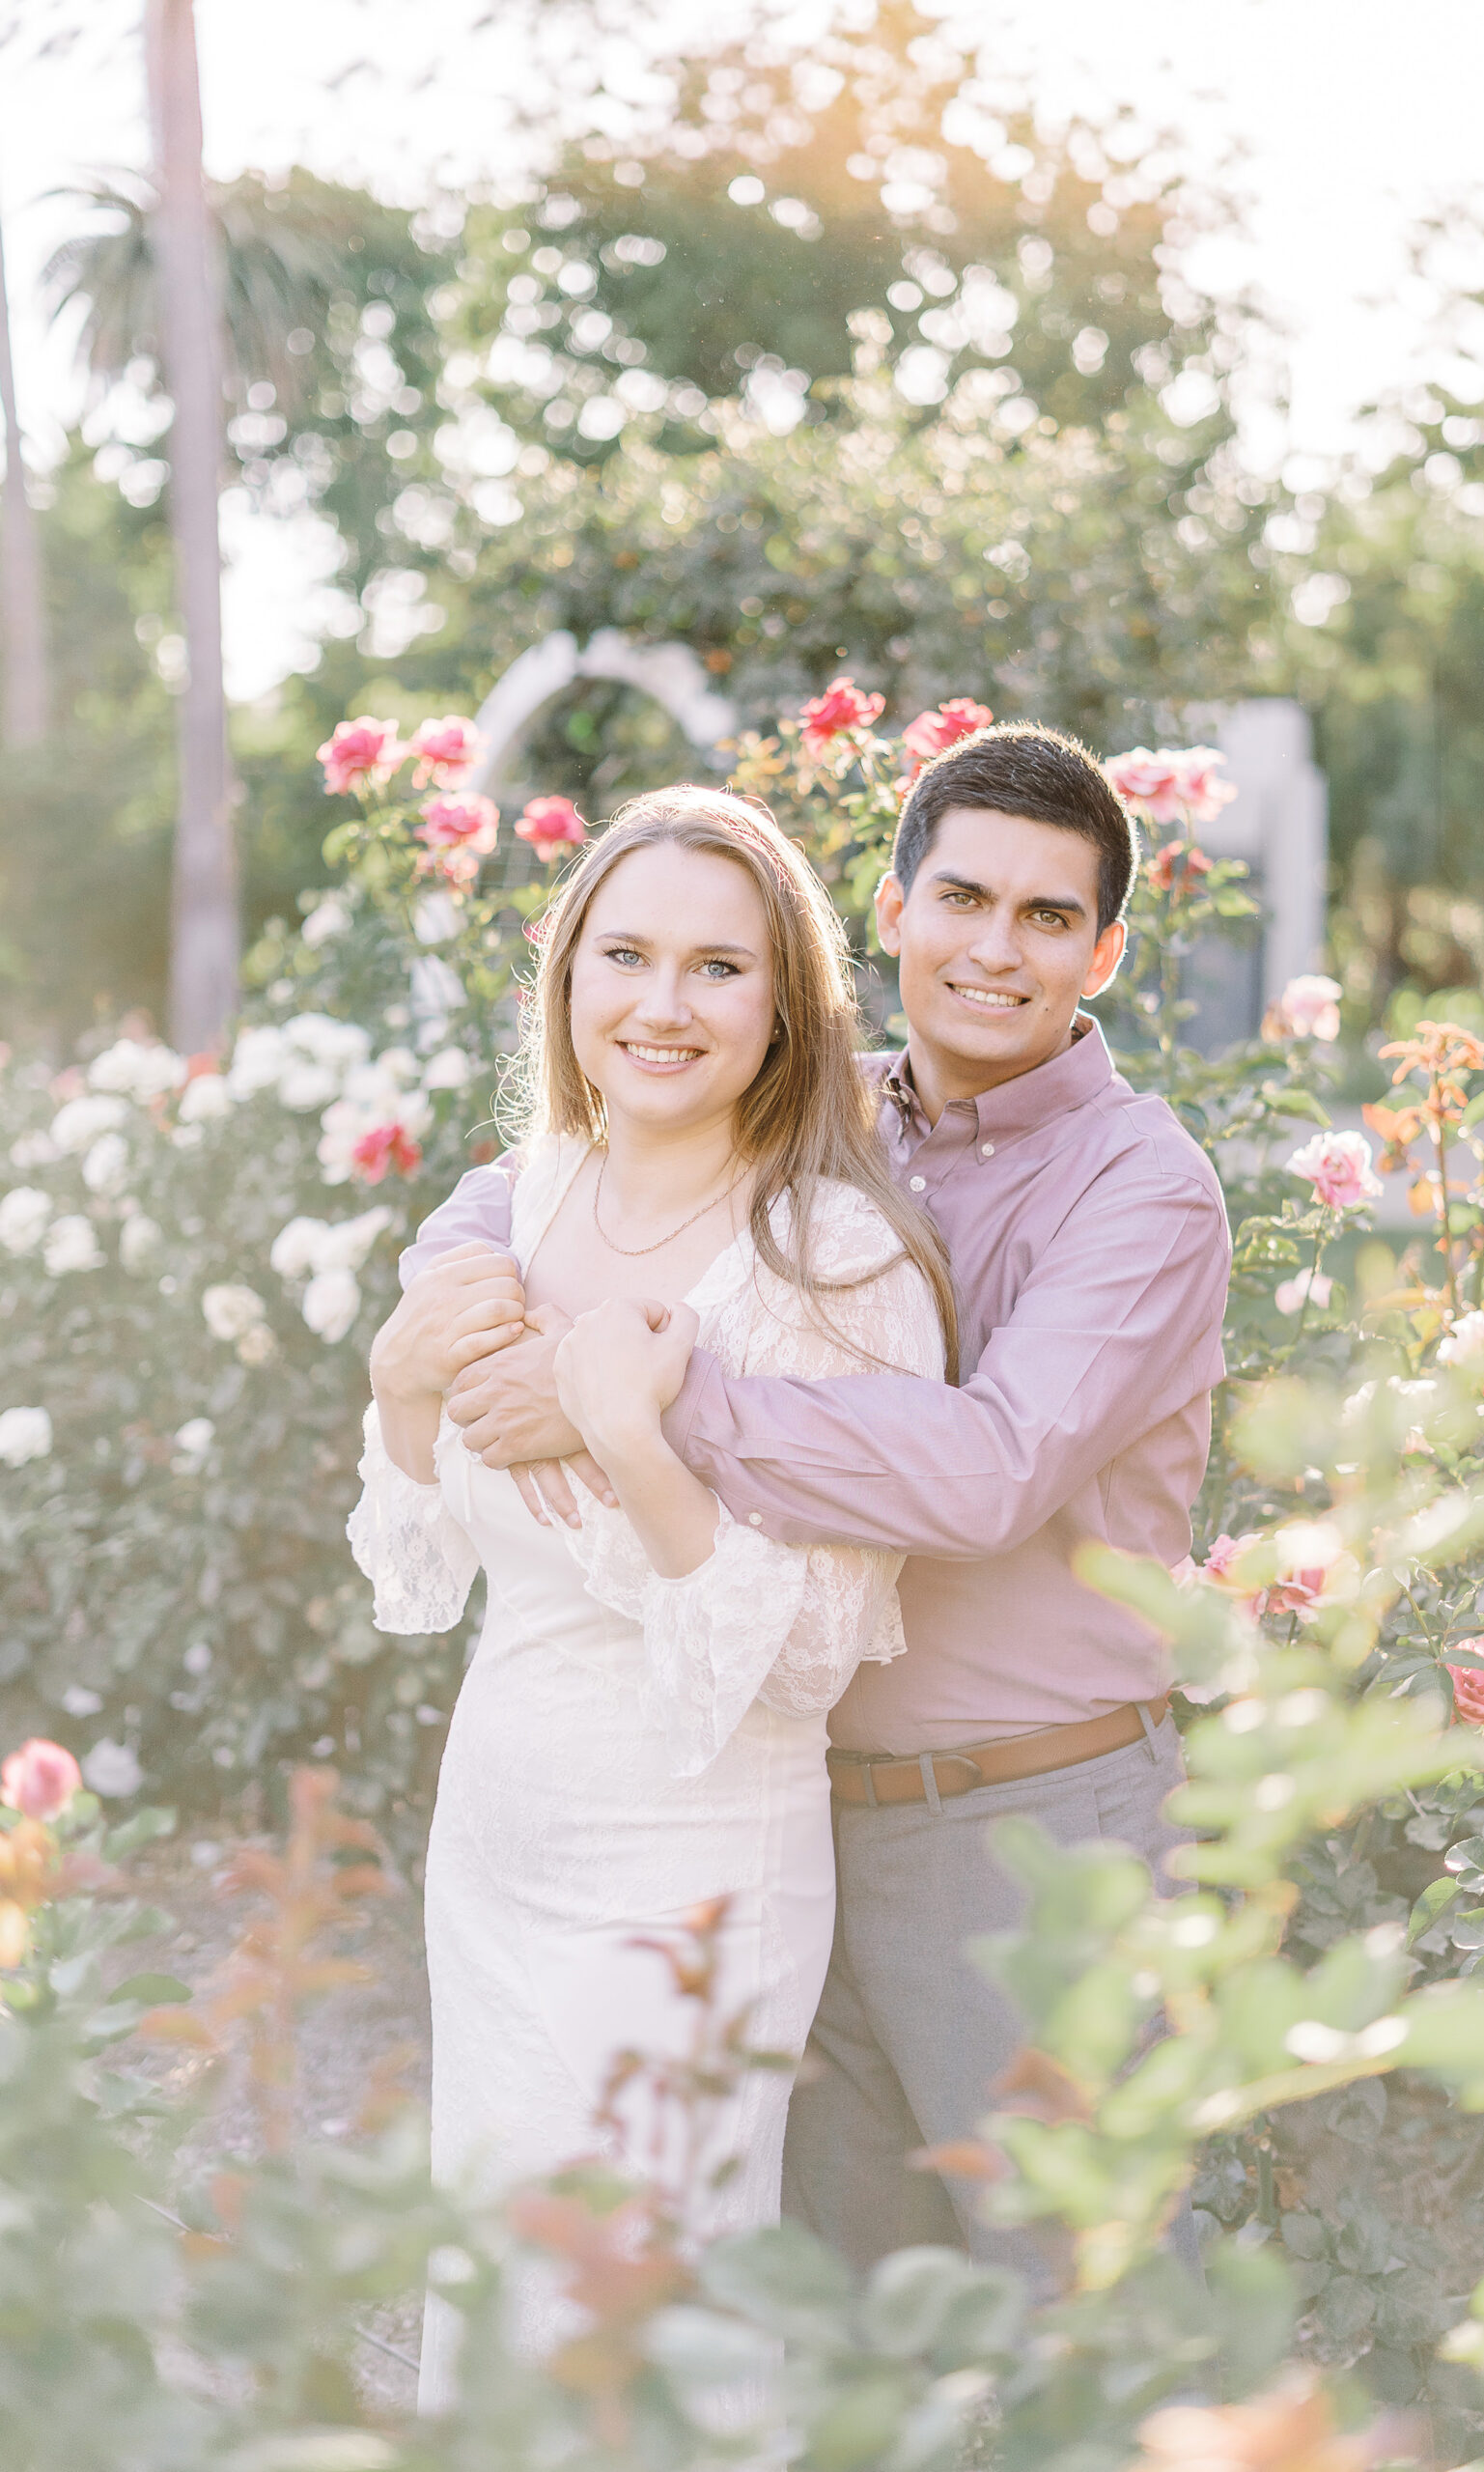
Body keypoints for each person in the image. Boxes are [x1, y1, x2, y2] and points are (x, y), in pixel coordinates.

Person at [407, 723, 1231, 2289]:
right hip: (782, 1816)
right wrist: (458, 1286)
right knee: (837, 2342)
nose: (995, 950)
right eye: (965, 899)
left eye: (1049, 918)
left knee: (1105, 2324)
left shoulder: (1144, 1186)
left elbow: (989, 1469)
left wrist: (657, 1400)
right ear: (895, 906)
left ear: (1105, 951)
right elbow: (541, 1172)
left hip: (1026, 1826)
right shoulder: (834, 1111)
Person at [349, 787, 951, 2406]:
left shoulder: (837, 1260)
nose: (662, 1005)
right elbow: (421, 1567)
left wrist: (633, 1432)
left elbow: (811, 1659)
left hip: (693, 1859)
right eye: (624, 954)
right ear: (565, 978)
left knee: (647, 2310)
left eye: (715, 967)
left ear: (783, 1008)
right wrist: (404, 1391)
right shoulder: (521, 1204)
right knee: (497, 2289)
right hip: (497, 1838)